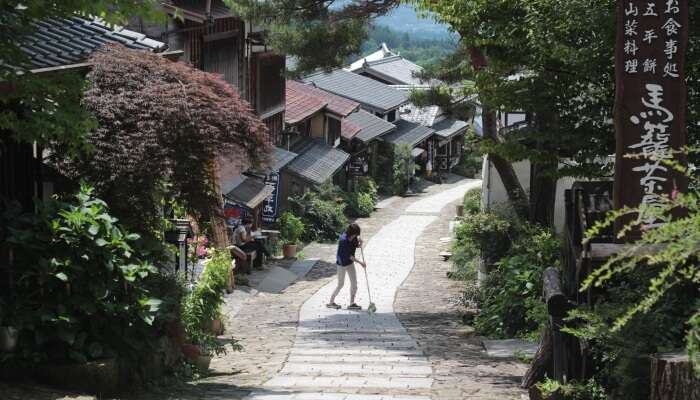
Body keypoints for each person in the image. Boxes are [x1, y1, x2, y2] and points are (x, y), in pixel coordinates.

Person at [327, 223, 366, 310]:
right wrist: (361, 263)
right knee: (341, 284)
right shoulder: (343, 240)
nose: (356, 236)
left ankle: (352, 303)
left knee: (354, 283)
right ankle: (331, 302)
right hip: (342, 264)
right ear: (351, 233)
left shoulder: (354, 237)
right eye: (355, 234)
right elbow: (350, 256)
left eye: (356, 235)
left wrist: (361, 242)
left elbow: (357, 245)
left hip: (350, 263)